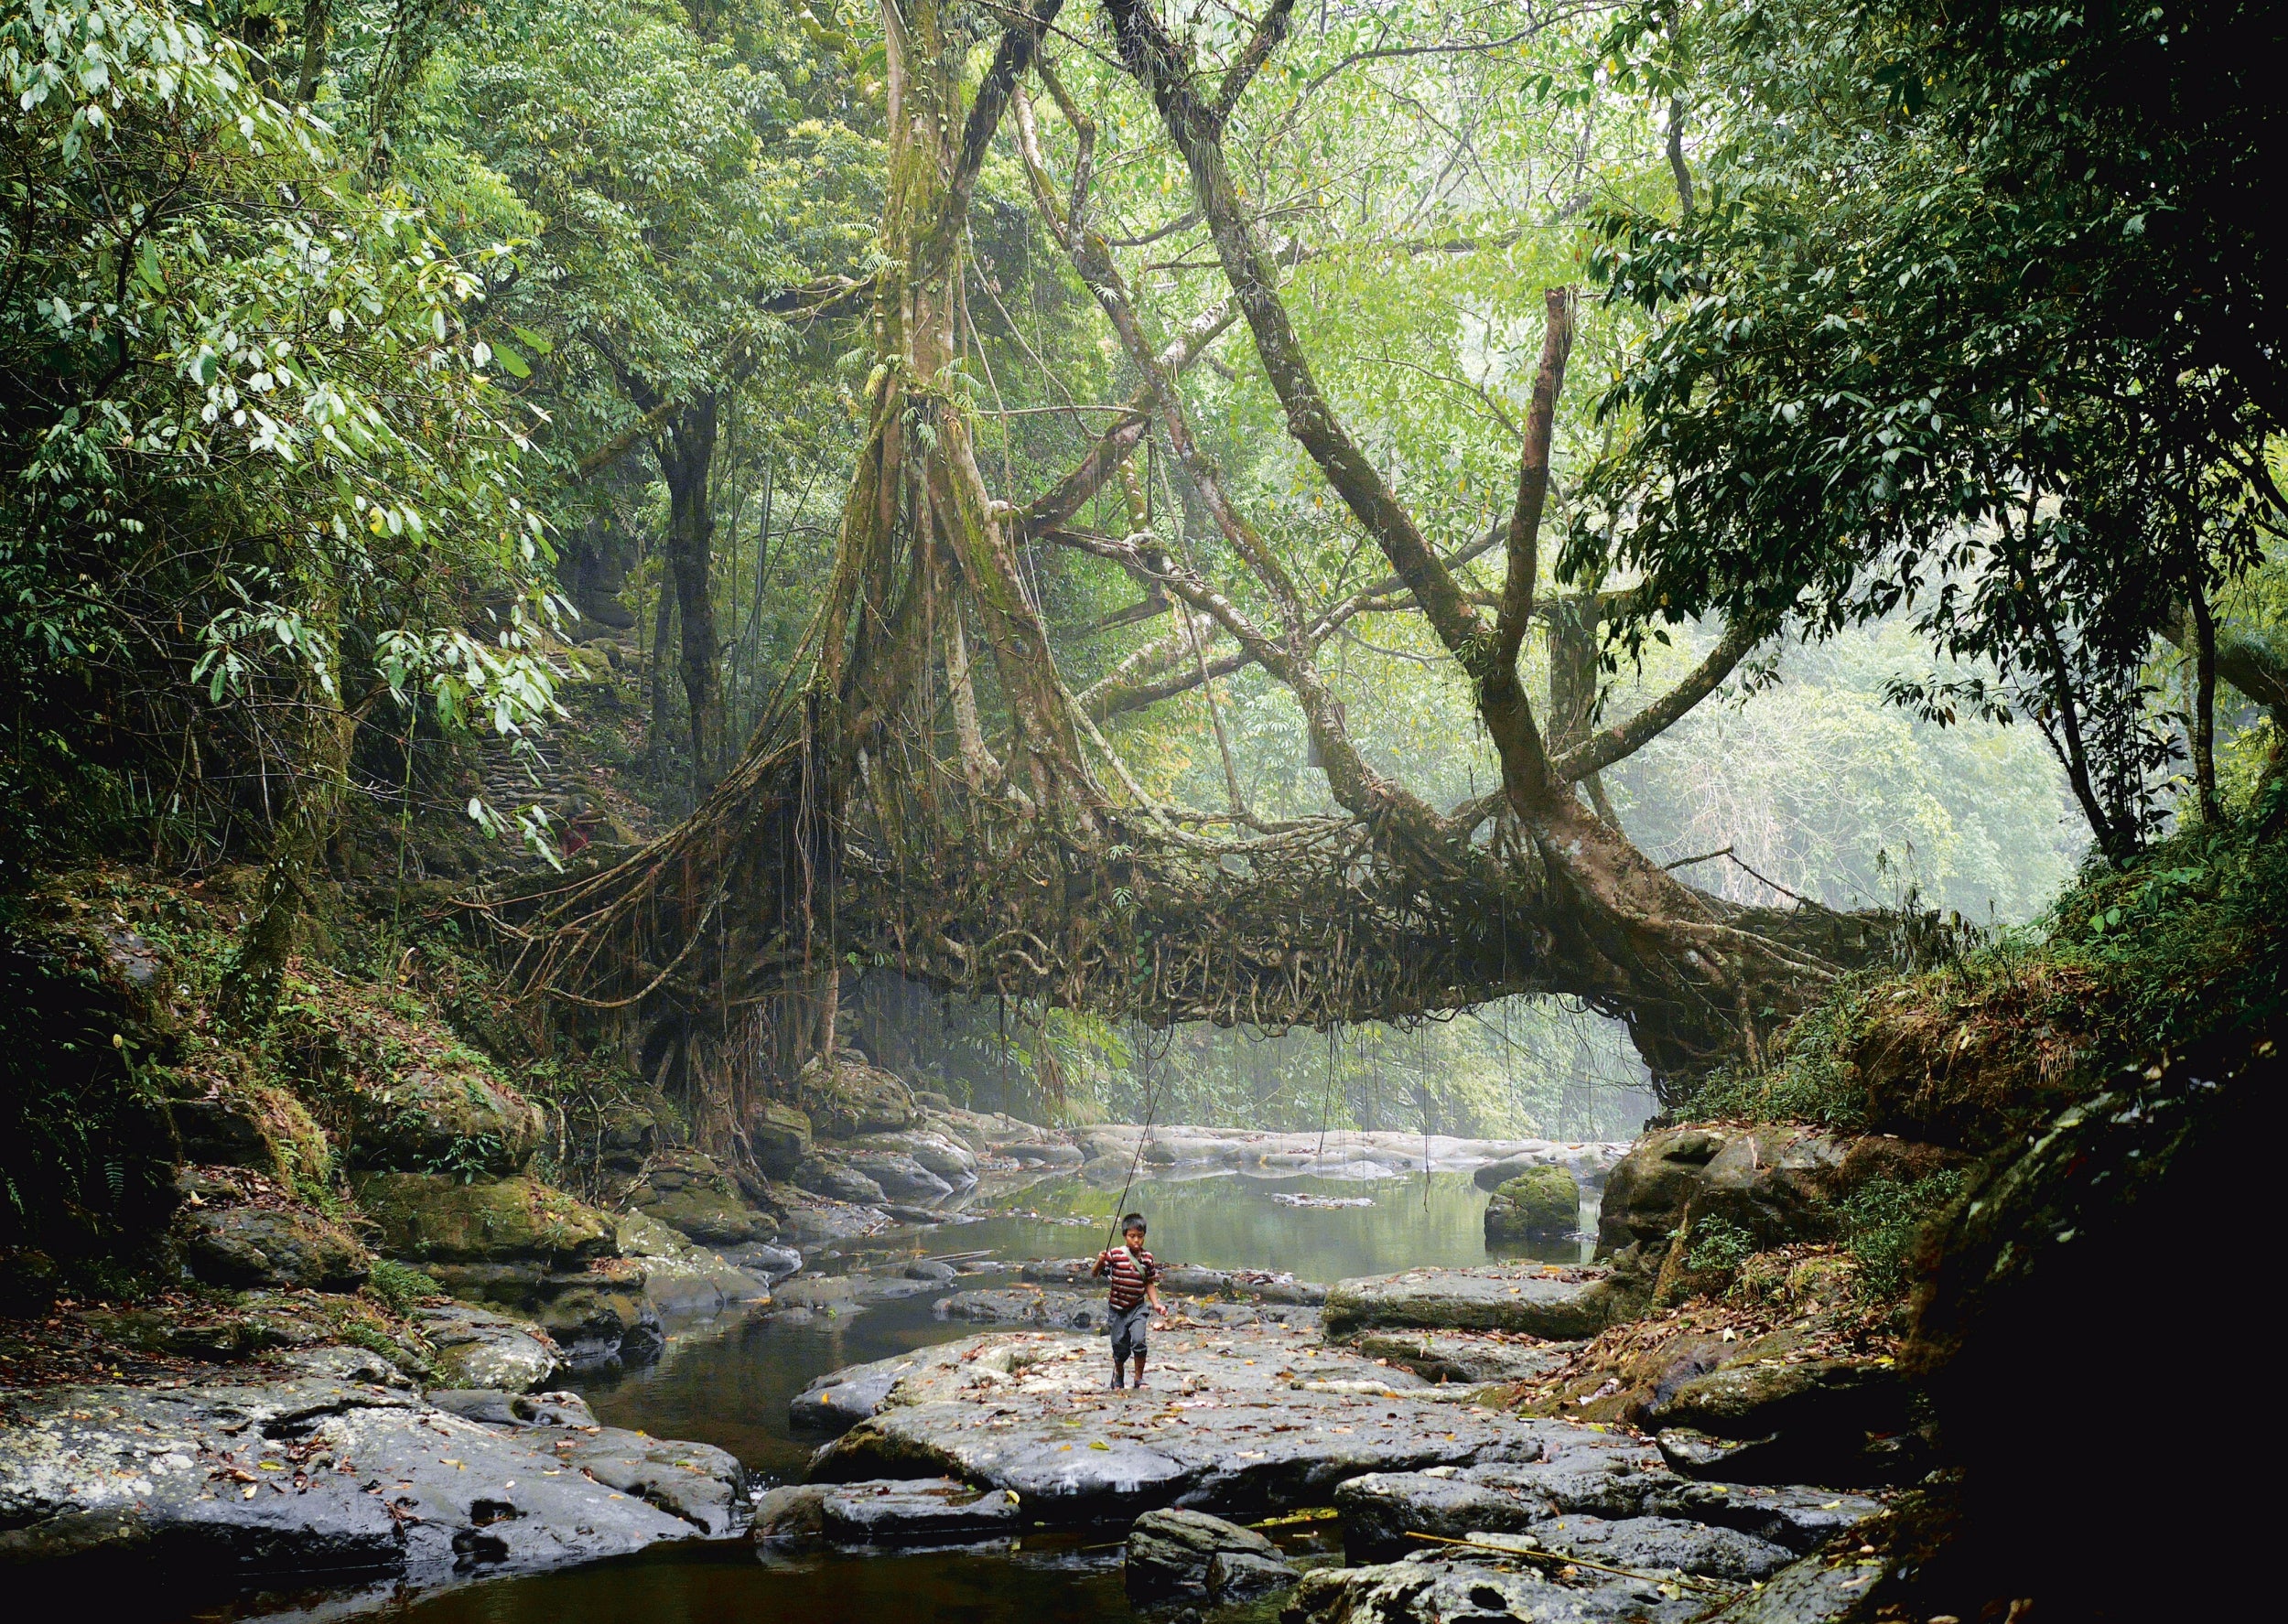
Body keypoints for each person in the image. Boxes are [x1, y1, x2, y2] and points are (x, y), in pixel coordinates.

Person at [1094, 1212, 1162, 1390]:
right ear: (1125, 1236)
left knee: (1139, 1342)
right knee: (1119, 1346)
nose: (1136, 1241)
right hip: (1117, 1309)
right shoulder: (1115, 1255)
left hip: (1137, 1307)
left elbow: (1149, 1282)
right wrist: (1100, 1262)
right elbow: (1095, 1273)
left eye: (1140, 1237)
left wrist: (1156, 1304)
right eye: (1132, 1236)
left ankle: (1139, 1379)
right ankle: (1119, 1374)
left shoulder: (1147, 1259)